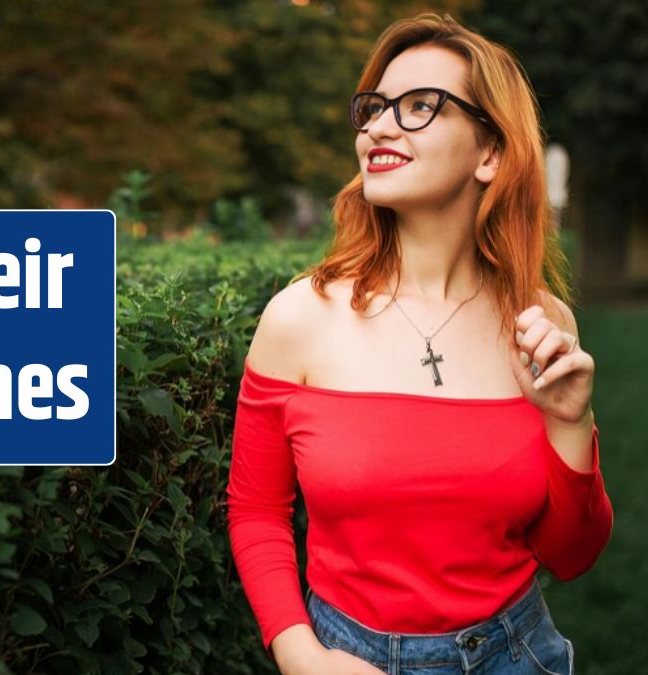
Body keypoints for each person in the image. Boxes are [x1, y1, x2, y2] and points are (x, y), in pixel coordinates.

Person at [226, 13, 614, 675]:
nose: (378, 126)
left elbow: (571, 555)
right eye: (374, 108)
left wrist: (571, 422)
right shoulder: (299, 317)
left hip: (515, 655)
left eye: (419, 107)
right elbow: (257, 510)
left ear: (489, 152)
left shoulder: (540, 322)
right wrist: (300, 656)